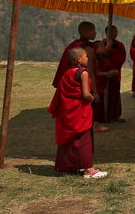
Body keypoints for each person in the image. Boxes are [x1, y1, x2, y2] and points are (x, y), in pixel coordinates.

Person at [48, 47, 108, 179]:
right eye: (86, 56)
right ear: (79, 59)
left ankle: (67, 167)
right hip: (81, 112)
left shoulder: (67, 73)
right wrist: (93, 98)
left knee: (70, 140)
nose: (88, 59)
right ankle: (89, 170)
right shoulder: (84, 73)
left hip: (69, 112)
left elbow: (64, 94)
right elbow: (86, 94)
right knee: (83, 139)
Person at [53, 22, 98, 99]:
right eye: (93, 30)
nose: (95, 32)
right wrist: (95, 91)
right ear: (86, 32)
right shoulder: (88, 49)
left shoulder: (73, 45)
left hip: (68, 85)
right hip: (81, 87)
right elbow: (90, 71)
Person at [98, 26, 127, 124]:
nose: (115, 33)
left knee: (115, 95)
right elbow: (100, 57)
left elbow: (122, 57)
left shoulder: (119, 45)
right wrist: (107, 48)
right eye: (112, 31)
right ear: (106, 32)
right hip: (105, 73)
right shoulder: (102, 43)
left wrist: (115, 67)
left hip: (115, 72)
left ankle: (116, 115)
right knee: (104, 94)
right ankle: (104, 115)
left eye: (116, 31)